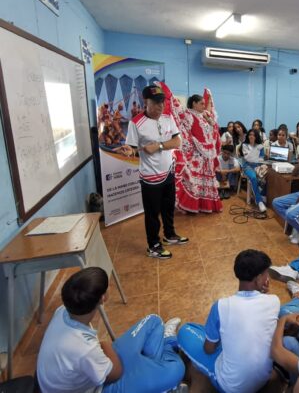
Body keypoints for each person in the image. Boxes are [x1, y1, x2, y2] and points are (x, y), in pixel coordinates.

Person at [37, 268, 185, 393]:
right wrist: (104, 344)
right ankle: (167, 348)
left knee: (154, 321)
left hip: (97, 365)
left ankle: (152, 371)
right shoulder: (84, 348)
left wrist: (103, 347)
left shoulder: (63, 311)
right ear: (103, 298)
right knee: (177, 369)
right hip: (99, 387)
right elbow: (116, 373)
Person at [178, 250, 279, 393]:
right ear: (257, 279)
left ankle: (169, 341)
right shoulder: (274, 301)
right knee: (214, 332)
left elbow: (208, 349)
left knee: (185, 330)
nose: (268, 277)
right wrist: (263, 293)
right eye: (266, 274)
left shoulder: (221, 306)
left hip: (230, 386)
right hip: (262, 379)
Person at [118, 84, 186, 259]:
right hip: (150, 177)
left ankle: (169, 235)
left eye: (162, 102)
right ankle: (153, 245)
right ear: (145, 102)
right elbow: (132, 148)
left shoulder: (168, 118)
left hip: (168, 172)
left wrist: (159, 146)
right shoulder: (136, 123)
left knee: (168, 208)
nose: (160, 106)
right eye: (155, 102)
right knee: (152, 214)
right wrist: (130, 151)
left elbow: (177, 142)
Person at [164, 84, 223, 214]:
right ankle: (192, 205)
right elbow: (178, 113)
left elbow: (214, 128)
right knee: (194, 179)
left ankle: (206, 205)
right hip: (196, 154)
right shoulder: (189, 115)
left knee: (206, 180)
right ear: (194, 104)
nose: (204, 106)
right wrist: (169, 95)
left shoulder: (204, 115)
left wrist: (209, 119)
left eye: (204, 104)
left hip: (207, 155)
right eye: (201, 103)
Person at [239, 128, 267, 212]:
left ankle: (262, 194)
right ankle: (259, 201)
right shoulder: (245, 145)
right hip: (247, 166)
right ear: (248, 136)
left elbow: (261, 159)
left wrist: (255, 158)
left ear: (256, 136)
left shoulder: (260, 146)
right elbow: (248, 158)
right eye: (250, 135)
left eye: (253, 135)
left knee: (268, 175)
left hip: (258, 165)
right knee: (254, 178)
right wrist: (256, 152)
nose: (251, 136)